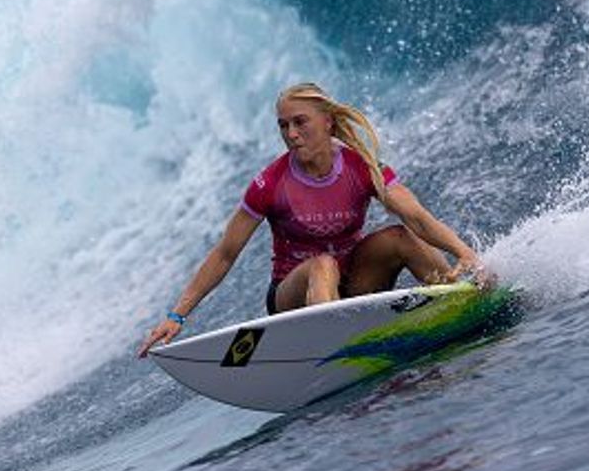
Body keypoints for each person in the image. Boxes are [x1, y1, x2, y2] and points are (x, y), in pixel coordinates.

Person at [137, 82, 487, 358]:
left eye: (300, 122)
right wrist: (176, 316)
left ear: (327, 121)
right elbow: (225, 254)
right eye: (283, 125)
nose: (291, 133)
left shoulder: (360, 167)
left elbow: (417, 218)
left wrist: (465, 253)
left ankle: (461, 300)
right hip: (294, 296)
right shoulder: (270, 184)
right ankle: (333, 348)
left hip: (354, 284)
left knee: (401, 236)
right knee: (322, 265)